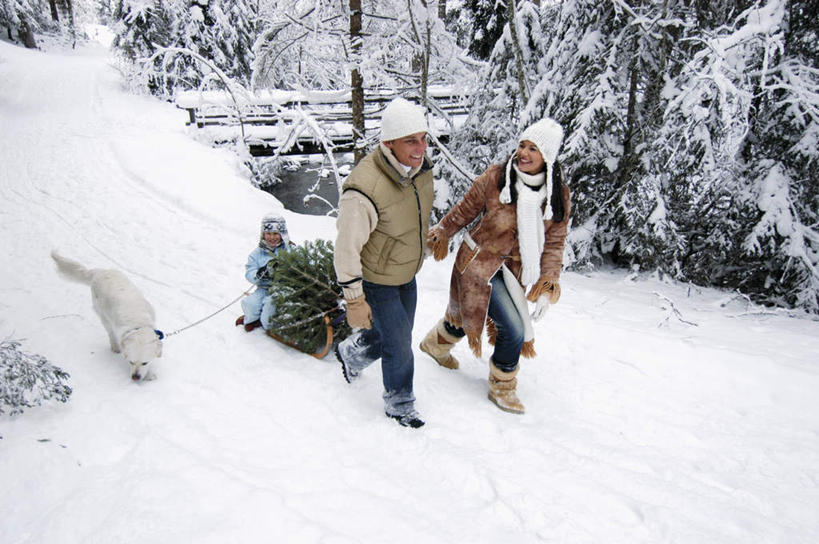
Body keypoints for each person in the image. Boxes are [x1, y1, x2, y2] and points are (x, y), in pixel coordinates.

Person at [420, 118, 571, 414]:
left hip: (515, 273)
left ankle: (435, 345)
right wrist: (440, 234)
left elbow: (555, 242)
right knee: (513, 329)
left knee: (469, 315)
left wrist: (547, 282)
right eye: (522, 145)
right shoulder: (496, 178)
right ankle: (502, 385)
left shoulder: (557, 195)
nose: (524, 154)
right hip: (478, 263)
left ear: (548, 158)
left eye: (533, 149)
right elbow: (464, 210)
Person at [333, 97, 435, 428]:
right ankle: (400, 403)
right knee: (400, 343)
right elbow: (347, 248)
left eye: (423, 138)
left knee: (388, 336)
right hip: (378, 280)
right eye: (411, 140)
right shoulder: (364, 189)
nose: (421, 148)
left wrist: (431, 239)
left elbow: (410, 217)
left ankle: (352, 353)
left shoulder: (420, 170)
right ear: (388, 142)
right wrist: (354, 298)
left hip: (407, 274)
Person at [235, 213, 291, 332]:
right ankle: (253, 319)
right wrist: (258, 274)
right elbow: (249, 271)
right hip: (264, 288)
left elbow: (304, 263)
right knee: (250, 303)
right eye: (268, 234)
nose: (272, 237)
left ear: (282, 234)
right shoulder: (258, 253)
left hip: (282, 289)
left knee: (270, 305)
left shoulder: (290, 250)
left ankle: (267, 323)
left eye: (276, 233)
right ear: (263, 234)